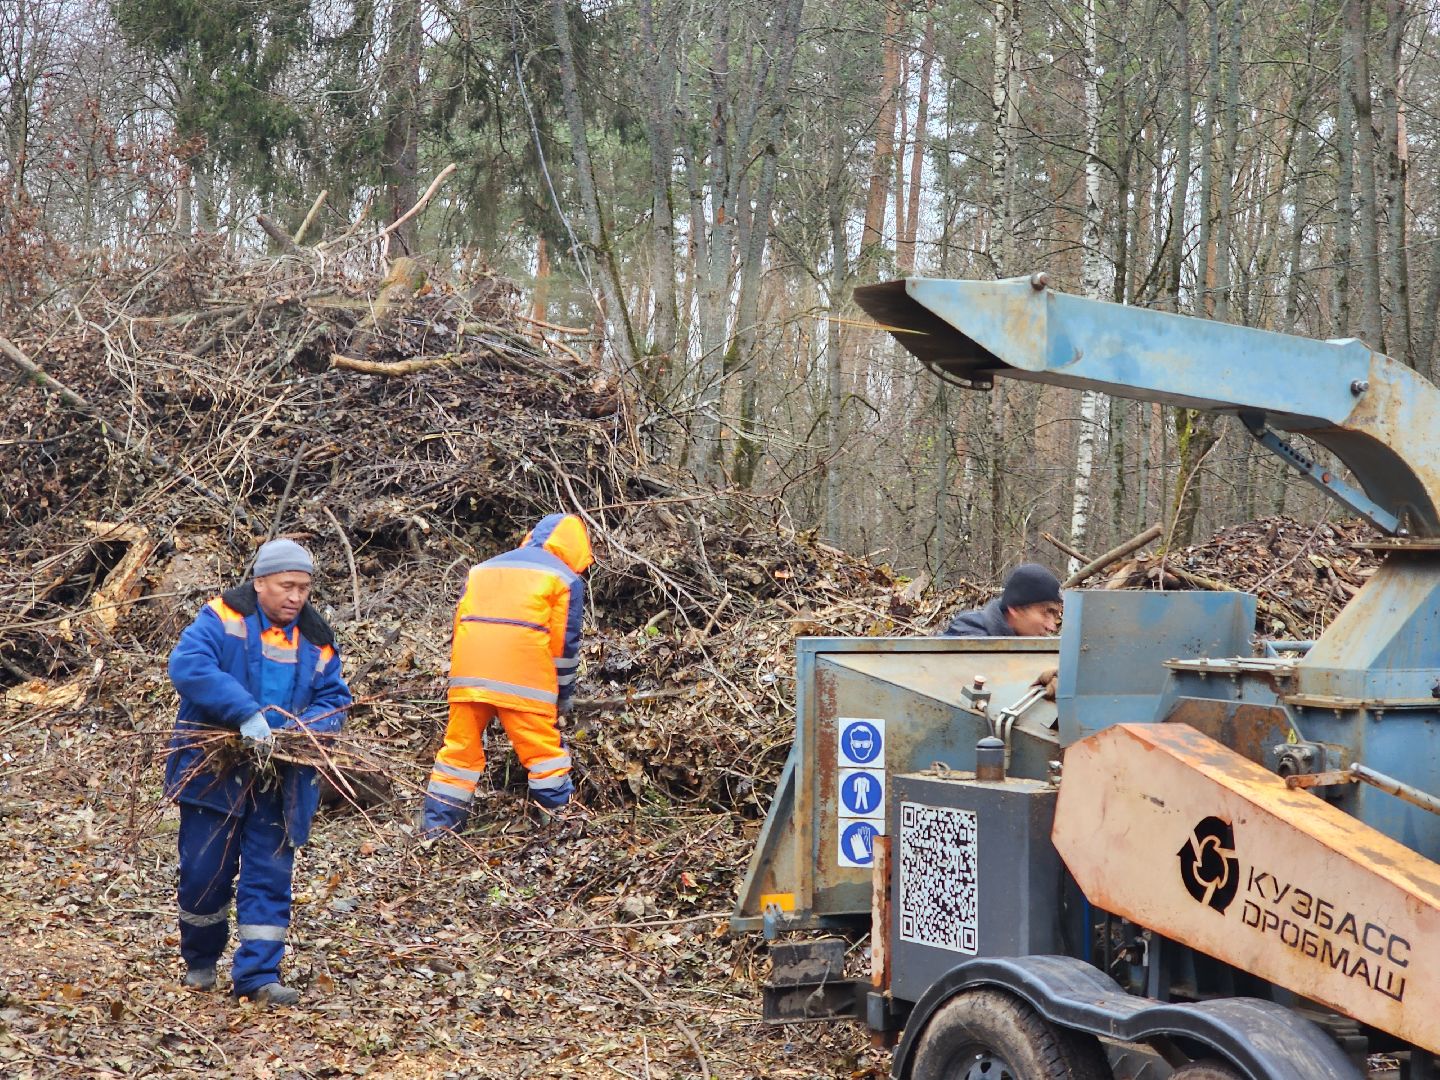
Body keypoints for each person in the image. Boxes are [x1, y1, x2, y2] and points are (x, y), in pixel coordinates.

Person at [165, 538, 351, 1005]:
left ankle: (258, 976)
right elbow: (188, 666)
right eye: (287, 586)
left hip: (282, 781)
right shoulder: (222, 617)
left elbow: (334, 699)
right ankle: (201, 961)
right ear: (260, 582)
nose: (296, 597)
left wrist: (303, 733)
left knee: (269, 878)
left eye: (304, 588)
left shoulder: (316, 639)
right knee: (203, 874)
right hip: (214, 771)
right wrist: (245, 714)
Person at [422, 512, 593, 836]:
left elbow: (460, 625)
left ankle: (437, 832)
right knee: (544, 756)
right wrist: (563, 697)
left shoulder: (483, 569)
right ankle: (561, 829)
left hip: (468, 677)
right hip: (525, 683)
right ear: (576, 548)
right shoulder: (564, 579)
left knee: (458, 753)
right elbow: (563, 647)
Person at [942, 562, 1062, 698]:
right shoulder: (968, 634)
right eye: (1046, 612)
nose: (1052, 626)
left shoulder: (1027, 641)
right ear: (1016, 609)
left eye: (1056, 615)